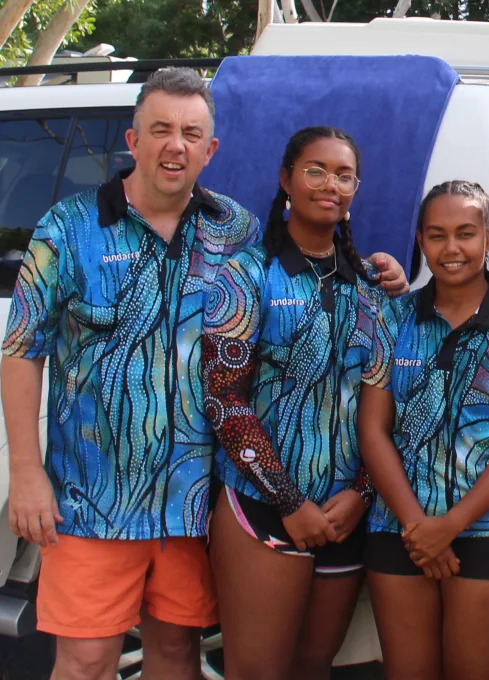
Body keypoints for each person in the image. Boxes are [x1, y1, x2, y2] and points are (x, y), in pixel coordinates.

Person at [0, 68, 255, 680]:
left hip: (196, 502)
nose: (177, 145)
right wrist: (28, 475)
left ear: (210, 149)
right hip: (90, 500)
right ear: (132, 142)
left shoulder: (236, 232)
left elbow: (298, 295)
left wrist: (379, 273)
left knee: (174, 654)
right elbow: (20, 349)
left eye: (192, 133)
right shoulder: (67, 228)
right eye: (161, 129)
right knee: (86, 660)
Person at [200, 126, 388, 680]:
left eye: (343, 174)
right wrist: (288, 501)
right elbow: (225, 401)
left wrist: (360, 492)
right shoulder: (246, 276)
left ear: (356, 189)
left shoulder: (372, 290)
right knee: (259, 671)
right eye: (315, 170)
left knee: (313, 668)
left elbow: (386, 409)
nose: (329, 183)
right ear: (286, 180)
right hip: (263, 509)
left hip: (346, 515)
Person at [358, 180, 489, 680]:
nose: (451, 249)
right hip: (399, 531)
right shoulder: (393, 317)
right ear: (420, 240)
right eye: (437, 235)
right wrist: (417, 526)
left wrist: (449, 526)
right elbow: (373, 429)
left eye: (465, 233)